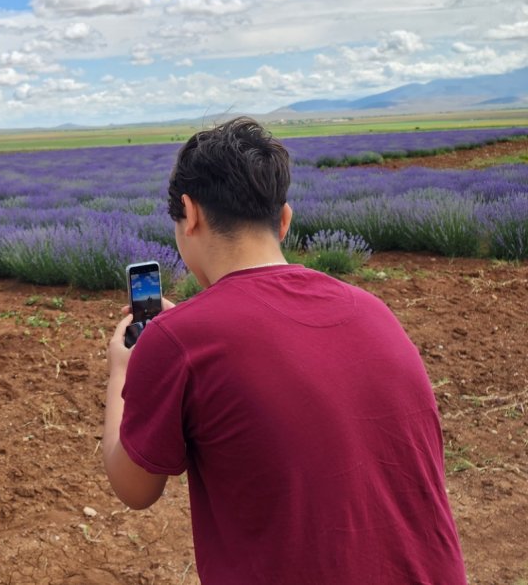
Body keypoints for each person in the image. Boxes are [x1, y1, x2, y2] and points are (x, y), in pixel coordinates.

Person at [102, 117, 466, 584]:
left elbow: (133, 486)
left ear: (189, 214)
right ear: (285, 220)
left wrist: (123, 370)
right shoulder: (373, 311)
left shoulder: (179, 340)